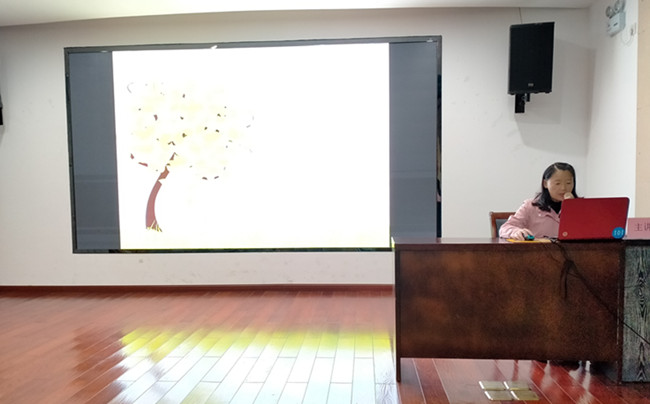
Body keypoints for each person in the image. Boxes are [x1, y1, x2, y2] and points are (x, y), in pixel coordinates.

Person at [499, 162, 579, 240]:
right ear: (545, 184)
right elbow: (505, 228)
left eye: (568, 183)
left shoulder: (581, 207)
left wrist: (573, 207)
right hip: (538, 249)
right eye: (557, 183)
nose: (563, 188)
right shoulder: (530, 206)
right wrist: (516, 232)